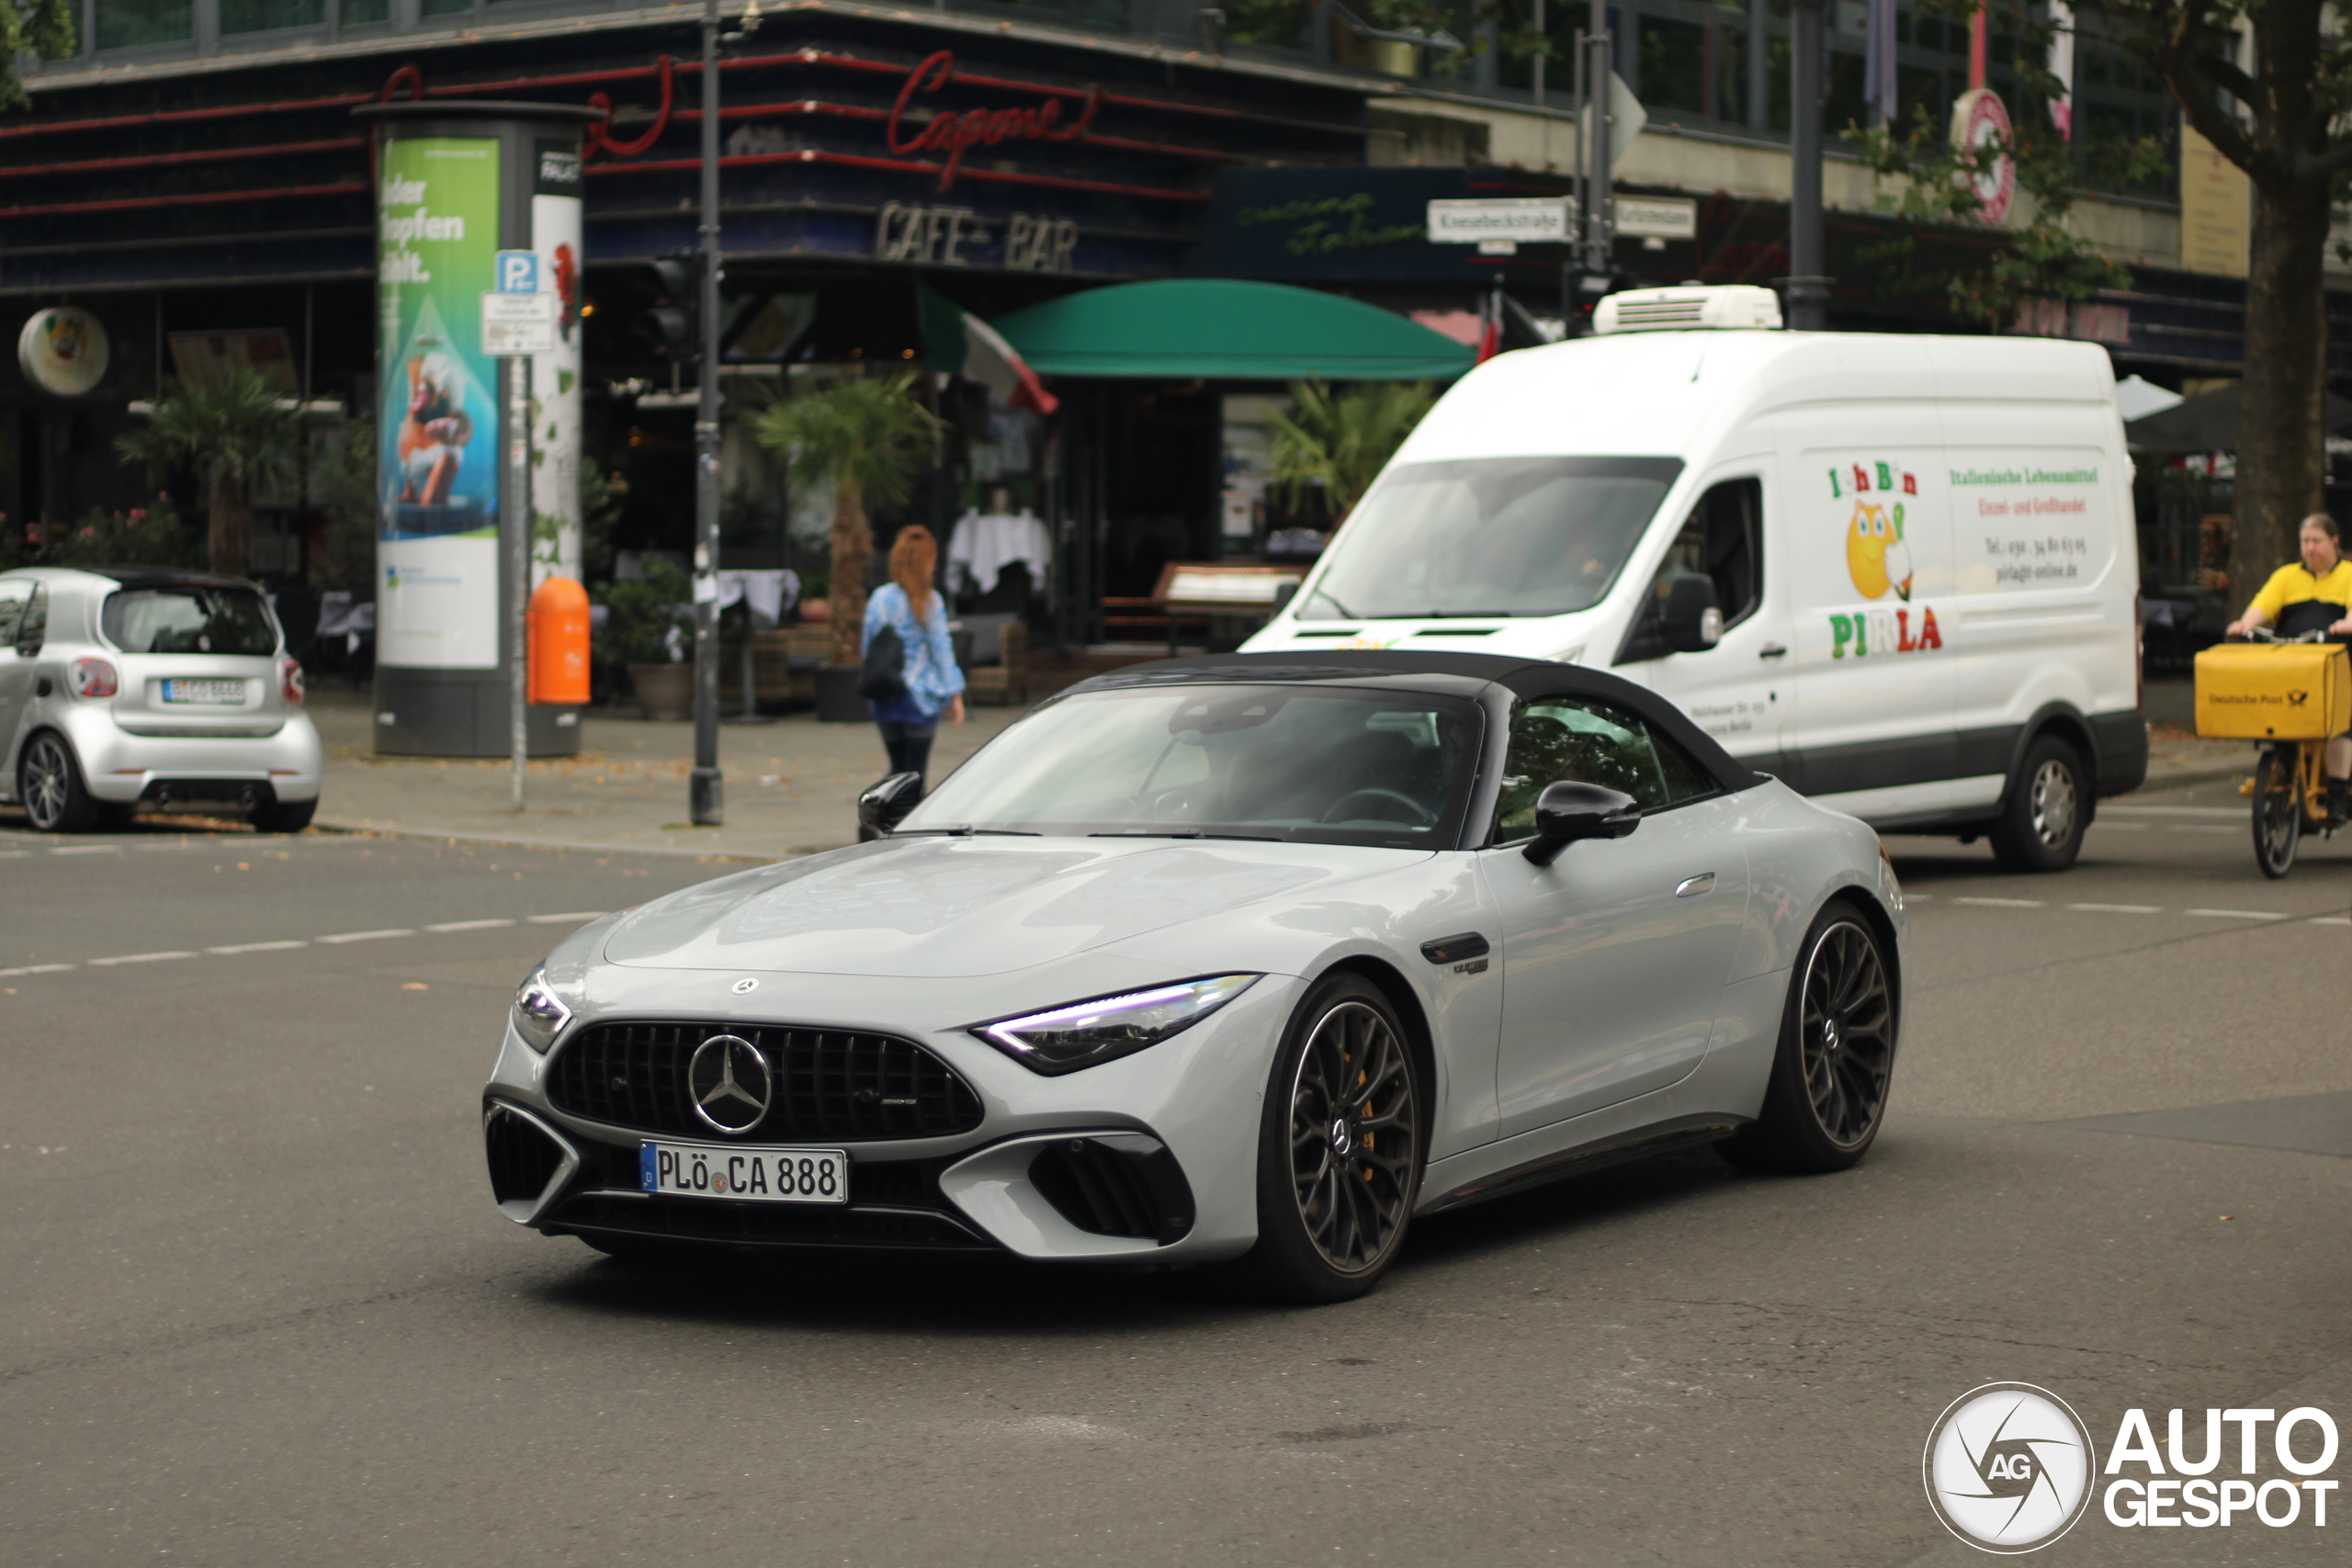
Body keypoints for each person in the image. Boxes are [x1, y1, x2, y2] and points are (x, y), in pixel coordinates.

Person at [2226, 512, 2352, 819]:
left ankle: (2337, 795)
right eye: (2305, 542)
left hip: (2335, 663)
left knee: (2338, 727)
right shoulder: (2286, 576)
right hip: (2292, 663)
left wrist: (2345, 625)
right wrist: (2244, 624)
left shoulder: (2349, 574)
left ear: (2334, 542)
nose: (2311, 548)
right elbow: (2263, 604)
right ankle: (2282, 768)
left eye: (2317, 541)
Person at [862, 525, 965, 791]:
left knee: (897, 770)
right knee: (915, 773)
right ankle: (905, 828)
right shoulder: (930, 601)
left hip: (884, 695)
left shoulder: (879, 598)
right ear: (928, 562)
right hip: (920, 698)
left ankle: (877, 820)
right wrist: (955, 694)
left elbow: (868, 649)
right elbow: (942, 650)